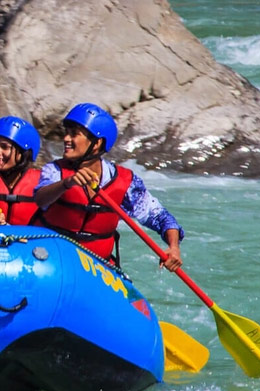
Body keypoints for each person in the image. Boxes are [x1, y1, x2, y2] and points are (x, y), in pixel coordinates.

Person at [33, 103, 183, 270]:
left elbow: (161, 217)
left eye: (74, 134)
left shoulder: (126, 182)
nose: (66, 139)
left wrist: (174, 247)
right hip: (49, 260)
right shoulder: (55, 171)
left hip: (95, 268)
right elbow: (40, 199)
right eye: (66, 133)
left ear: (96, 143)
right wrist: (67, 183)